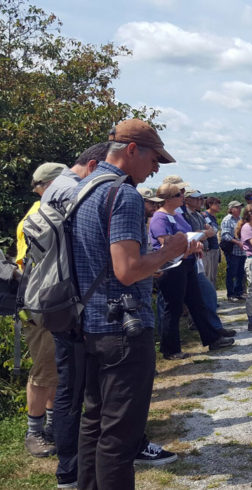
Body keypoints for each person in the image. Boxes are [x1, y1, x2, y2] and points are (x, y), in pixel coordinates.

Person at [69, 119, 188, 489]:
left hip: (87, 324)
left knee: (94, 424)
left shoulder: (84, 188)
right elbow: (127, 269)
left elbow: (103, 263)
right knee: (120, 437)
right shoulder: (124, 195)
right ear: (132, 150)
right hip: (123, 329)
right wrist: (168, 252)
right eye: (155, 159)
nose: (156, 169)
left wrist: (145, 266)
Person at [149, 183, 235, 360]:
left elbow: (188, 234)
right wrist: (187, 246)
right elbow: (166, 243)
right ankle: (170, 349)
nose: (182, 198)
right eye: (178, 196)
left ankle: (213, 339)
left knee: (197, 302)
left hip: (187, 263)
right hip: (171, 266)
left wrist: (195, 244)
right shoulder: (160, 218)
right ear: (168, 199)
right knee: (172, 307)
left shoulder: (177, 216)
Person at [15, 162, 66, 460]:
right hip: (41, 306)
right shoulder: (37, 217)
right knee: (44, 370)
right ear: (46, 186)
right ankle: (34, 432)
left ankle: (51, 427)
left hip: (52, 302)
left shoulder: (49, 213)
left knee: (57, 371)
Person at [182, 189, 235, 338]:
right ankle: (202, 324)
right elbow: (195, 234)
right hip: (197, 254)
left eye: (201, 199)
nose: (200, 201)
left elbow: (210, 231)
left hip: (202, 252)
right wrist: (204, 233)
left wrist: (204, 233)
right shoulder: (185, 215)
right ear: (187, 199)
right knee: (202, 291)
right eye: (197, 199)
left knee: (208, 290)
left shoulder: (198, 214)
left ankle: (211, 325)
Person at [220, 200, 246, 301]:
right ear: (231, 209)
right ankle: (231, 294)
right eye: (237, 207)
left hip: (241, 251)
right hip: (233, 250)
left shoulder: (240, 219)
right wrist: (238, 242)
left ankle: (239, 292)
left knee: (240, 272)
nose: (240, 209)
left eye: (240, 207)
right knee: (231, 272)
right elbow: (225, 235)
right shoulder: (227, 220)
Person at [201, 197, 222, 286]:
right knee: (208, 275)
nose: (219, 206)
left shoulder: (213, 217)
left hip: (215, 248)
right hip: (208, 250)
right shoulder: (204, 215)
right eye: (216, 204)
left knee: (213, 276)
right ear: (209, 205)